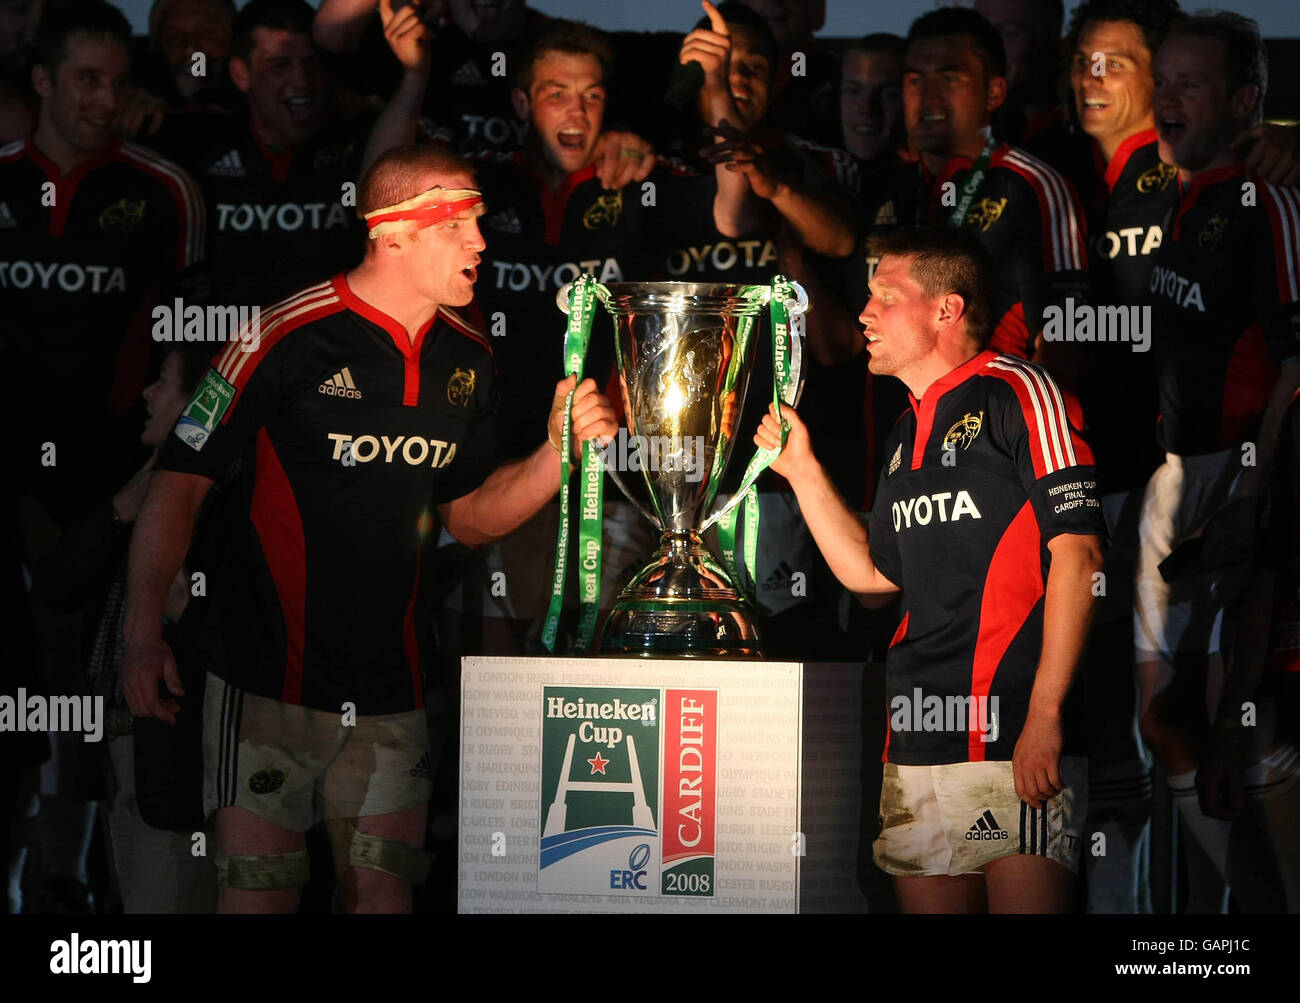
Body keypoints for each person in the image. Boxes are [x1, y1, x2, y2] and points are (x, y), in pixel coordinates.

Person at [122, 144, 616, 914]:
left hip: (395, 690)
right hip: (264, 683)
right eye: (459, 224)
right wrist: (140, 630)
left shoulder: (472, 356)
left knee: (383, 900)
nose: (481, 243)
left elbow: (471, 517)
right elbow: (177, 487)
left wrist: (559, 456)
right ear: (394, 233)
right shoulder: (282, 335)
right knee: (260, 901)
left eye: (480, 224)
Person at [756, 226, 1105, 913]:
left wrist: (1045, 712)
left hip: (1012, 738)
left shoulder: (1021, 390)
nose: (863, 314)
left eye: (884, 295)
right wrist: (801, 471)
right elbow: (874, 577)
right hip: (915, 742)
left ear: (947, 309)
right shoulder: (903, 430)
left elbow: (1082, 553)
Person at [1136, 11, 1300, 913]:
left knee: (1241, 714)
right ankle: (1220, 927)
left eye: (1188, 84)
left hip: (1239, 477)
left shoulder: (1267, 194)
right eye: (1161, 81)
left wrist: (1255, 488)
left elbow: (1297, 359)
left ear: (1244, 101)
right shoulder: (1187, 192)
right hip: (1176, 474)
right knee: (1171, 725)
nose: (1166, 100)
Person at [1060, 0, 1183, 914]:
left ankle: (1168, 912)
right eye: (1083, 62)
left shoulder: (1191, 177)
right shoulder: (1053, 175)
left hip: (1164, 476)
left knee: (1160, 700)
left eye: (1116, 62)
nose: (1092, 78)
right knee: (1086, 683)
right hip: (1071, 472)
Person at [30, 343, 224, 914]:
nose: (146, 394)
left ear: (198, 404)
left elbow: (219, 631)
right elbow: (56, 584)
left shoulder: (220, 495)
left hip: (177, 758)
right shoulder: (139, 475)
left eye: (163, 382)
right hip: (121, 752)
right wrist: (124, 508)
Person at [856, 7, 1088, 377]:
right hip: (895, 426)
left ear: (994, 92)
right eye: (915, 80)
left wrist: (1025, 426)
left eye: (948, 79)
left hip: (987, 426)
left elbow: (1069, 329)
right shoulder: (883, 188)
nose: (928, 97)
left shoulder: (1032, 185)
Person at [141, 0, 369, 308]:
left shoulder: (362, 136)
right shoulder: (183, 135)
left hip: (339, 347)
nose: (302, 80)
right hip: (222, 344)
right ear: (241, 74)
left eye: (311, 63)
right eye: (280, 65)